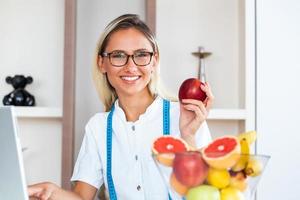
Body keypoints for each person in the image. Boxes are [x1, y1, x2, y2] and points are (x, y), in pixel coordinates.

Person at [28, 14, 214, 200]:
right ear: (102, 63)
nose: (131, 67)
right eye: (118, 55)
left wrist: (188, 136)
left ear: (154, 60)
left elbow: (209, 193)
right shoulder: (98, 127)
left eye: (141, 55)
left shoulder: (184, 117)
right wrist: (52, 192)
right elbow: (82, 198)